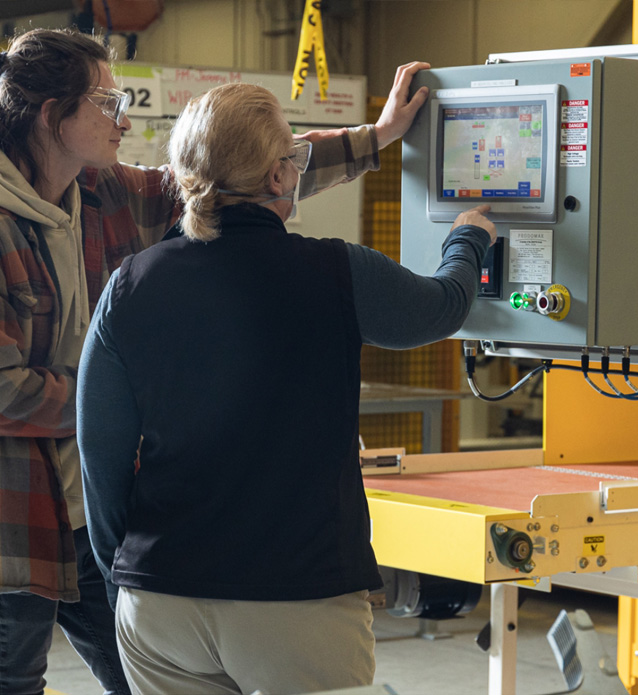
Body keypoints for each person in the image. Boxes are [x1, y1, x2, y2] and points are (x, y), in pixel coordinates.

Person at [0, 26, 430, 695]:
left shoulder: (105, 193)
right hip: (9, 511)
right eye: (105, 102)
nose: (122, 116)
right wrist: (123, 401)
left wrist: (377, 138)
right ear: (53, 116)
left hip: (100, 511)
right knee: (9, 686)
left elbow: (241, 173)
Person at [75, 82, 496, 695]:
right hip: (298, 597)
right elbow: (441, 308)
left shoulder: (130, 284)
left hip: (160, 600)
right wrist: (469, 238)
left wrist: (129, 581)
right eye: (294, 160)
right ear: (277, 179)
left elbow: (100, 455)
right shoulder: (335, 271)